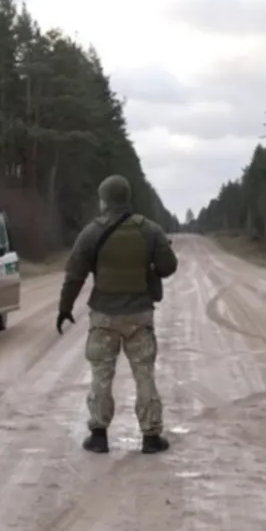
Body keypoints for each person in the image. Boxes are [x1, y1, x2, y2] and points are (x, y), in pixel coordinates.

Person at [56, 175, 178, 454]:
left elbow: (74, 274)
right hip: (139, 315)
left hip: (103, 316)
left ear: (104, 201)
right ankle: (150, 436)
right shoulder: (150, 230)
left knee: (101, 374)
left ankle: (98, 435)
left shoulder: (91, 233)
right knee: (144, 374)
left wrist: (65, 307)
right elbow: (169, 266)